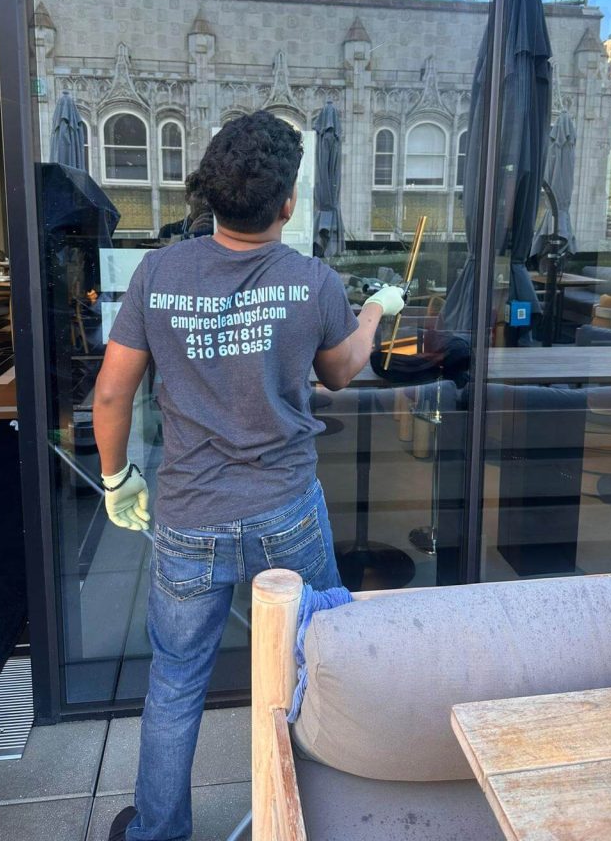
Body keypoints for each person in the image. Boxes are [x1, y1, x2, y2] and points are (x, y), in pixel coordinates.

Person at [93, 111, 404, 841]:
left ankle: (157, 834)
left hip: (190, 515)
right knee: (319, 662)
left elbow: (110, 394)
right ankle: (323, 821)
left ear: (211, 195)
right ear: (287, 204)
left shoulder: (158, 272)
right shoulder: (312, 279)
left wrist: (115, 479)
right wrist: (371, 316)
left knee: (175, 682)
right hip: (286, 510)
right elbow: (338, 373)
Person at [157, 168, 214, 242]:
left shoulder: (223, 231)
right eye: (199, 195)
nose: (206, 202)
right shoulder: (167, 232)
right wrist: (189, 235)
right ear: (187, 198)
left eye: (210, 196)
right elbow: (167, 253)